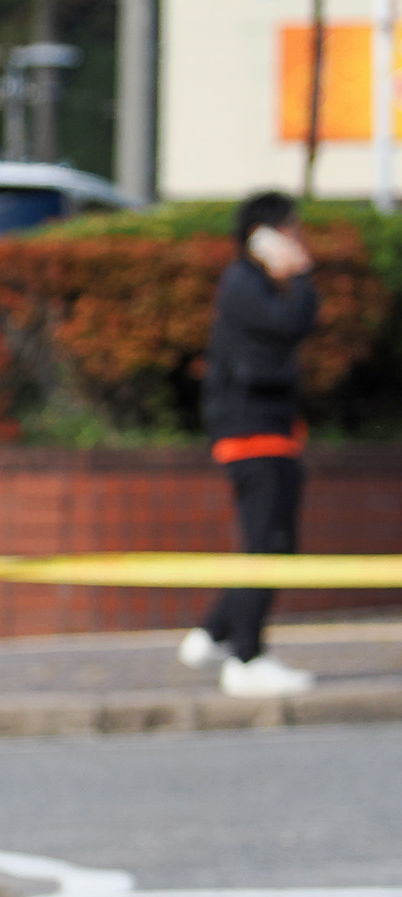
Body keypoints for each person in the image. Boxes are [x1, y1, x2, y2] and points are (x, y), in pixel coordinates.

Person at [180, 192, 320, 699]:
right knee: (270, 545)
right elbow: (293, 323)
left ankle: (215, 634)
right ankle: (246, 656)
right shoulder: (244, 284)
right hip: (252, 430)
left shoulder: (251, 284)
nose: (299, 240)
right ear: (263, 234)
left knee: (268, 542)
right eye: (291, 230)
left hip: (265, 428)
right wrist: (301, 274)